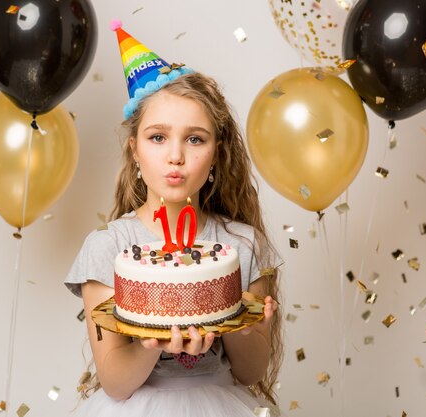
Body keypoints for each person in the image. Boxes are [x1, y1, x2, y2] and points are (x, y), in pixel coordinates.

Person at [64, 22, 283, 417]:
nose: (176, 156)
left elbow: (251, 372)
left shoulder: (244, 246)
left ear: (217, 153)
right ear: (134, 149)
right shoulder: (107, 248)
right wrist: (155, 345)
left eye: (195, 139)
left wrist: (245, 326)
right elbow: (114, 380)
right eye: (158, 137)